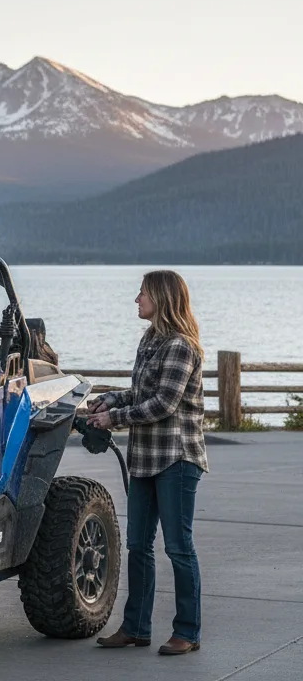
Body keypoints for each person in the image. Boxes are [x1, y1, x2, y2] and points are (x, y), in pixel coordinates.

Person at [88, 270, 208, 656]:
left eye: (142, 293)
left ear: (161, 297)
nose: (136, 299)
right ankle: (136, 628)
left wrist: (115, 419)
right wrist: (112, 399)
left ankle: (187, 632)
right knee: (138, 545)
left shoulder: (180, 346)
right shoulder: (151, 340)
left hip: (176, 459)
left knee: (178, 547)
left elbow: (163, 404)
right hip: (145, 459)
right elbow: (144, 392)